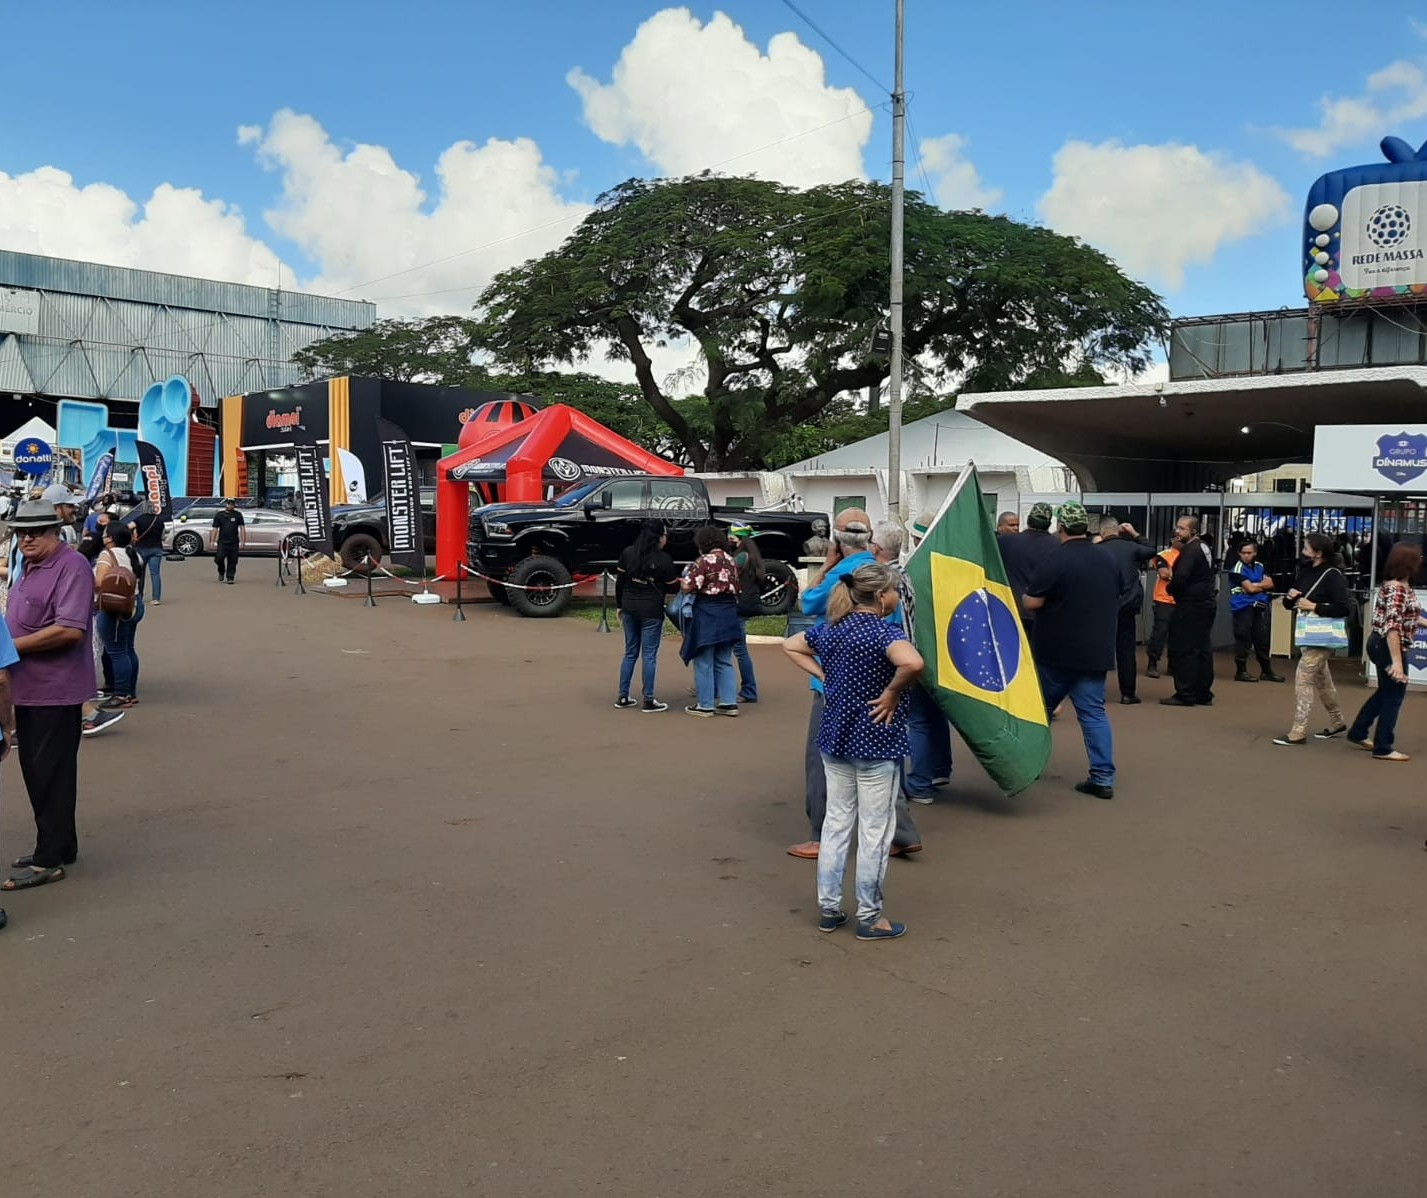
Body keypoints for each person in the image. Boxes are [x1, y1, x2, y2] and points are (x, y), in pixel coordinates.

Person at [783, 563, 924, 941]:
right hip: (877, 739)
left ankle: (829, 909)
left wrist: (825, 676)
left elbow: (791, 645)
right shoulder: (883, 632)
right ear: (881, 597)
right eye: (894, 591)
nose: (897, 596)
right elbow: (912, 663)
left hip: (836, 737)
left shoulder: (833, 629)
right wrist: (892, 692)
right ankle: (870, 915)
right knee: (875, 829)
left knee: (836, 823)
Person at [787, 514, 923, 859]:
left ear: (836, 542)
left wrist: (826, 566)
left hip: (841, 684)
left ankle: (822, 835)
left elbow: (808, 603)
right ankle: (902, 832)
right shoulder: (886, 574)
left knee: (822, 759)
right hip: (883, 681)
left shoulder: (846, 575)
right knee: (883, 760)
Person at [2, 500, 95, 891]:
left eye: (36, 532)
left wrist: (9, 647)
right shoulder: (29, 566)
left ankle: (49, 859)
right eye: (22, 532)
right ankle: (60, 844)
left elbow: (68, 630)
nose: (27, 538)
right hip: (30, 688)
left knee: (48, 775)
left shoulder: (71, 567)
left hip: (54, 690)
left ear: (56, 532)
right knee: (43, 773)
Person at [1022, 502, 1120, 799]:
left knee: (1040, 713)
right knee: (1093, 714)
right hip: (1095, 651)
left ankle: (1028, 766)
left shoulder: (1055, 559)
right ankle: (1103, 778)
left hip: (1056, 652)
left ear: (1060, 527)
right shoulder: (1107, 558)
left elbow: (1033, 602)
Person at [1346, 542, 1426, 762]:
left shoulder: (1397, 586)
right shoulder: (1398, 588)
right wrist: (1397, 663)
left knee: (1386, 692)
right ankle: (1383, 747)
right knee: (1394, 695)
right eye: (1417, 558)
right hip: (1388, 644)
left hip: (1382, 644)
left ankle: (1359, 732)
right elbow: (1392, 626)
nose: (1421, 562)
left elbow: (1406, 616)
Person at [1273, 532, 1352, 747]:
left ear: (1318, 552)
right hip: (1311, 634)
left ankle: (1299, 730)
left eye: (1306, 547)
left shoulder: (1333, 575)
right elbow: (1293, 603)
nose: (1302, 550)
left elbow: (1344, 607)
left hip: (1322, 637)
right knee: (1322, 680)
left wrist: (1314, 606)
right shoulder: (1306, 571)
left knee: (1303, 677)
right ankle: (1337, 721)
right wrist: (1290, 599)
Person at [679, 525, 742, 717]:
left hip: (707, 612)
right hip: (729, 612)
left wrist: (682, 581)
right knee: (724, 660)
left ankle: (705, 705)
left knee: (704, 660)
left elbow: (689, 586)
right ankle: (729, 702)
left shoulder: (703, 561)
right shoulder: (731, 561)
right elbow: (738, 587)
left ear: (703, 542)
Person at [613, 520, 675, 712]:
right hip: (652, 610)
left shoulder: (628, 553)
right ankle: (648, 699)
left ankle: (623, 696)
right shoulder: (664, 559)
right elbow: (673, 585)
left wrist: (619, 606)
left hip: (629, 607)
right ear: (659, 537)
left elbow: (619, 583)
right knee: (649, 655)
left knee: (630, 652)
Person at [1095, 515, 1157, 705]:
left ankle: (1095, 693)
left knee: (1099, 649)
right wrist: (1136, 534)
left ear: (1102, 532)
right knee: (1126, 650)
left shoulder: (1096, 550)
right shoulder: (1131, 547)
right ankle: (1128, 693)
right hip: (1127, 606)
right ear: (1119, 530)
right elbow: (1152, 550)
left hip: (1102, 607)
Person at [1161, 515, 1217, 708]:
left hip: (1191, 605)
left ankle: (1185, 693)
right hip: (1206, 604)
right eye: (1177, 527)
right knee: (1202, 649)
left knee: (1184, 649)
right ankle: (1203, 692)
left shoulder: (1190, 551)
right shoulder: (1204, 547)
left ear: (1193, 531)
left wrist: (1170, 589)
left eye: (1182, 528)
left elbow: (1181, 577)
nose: (1177, 531)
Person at [94, 522, 145, 711]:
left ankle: (121, 694)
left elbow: (100, 582)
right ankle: (130, 691)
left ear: (111, 538)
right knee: (128, 648)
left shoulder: (107, 555)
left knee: (116, 651)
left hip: (114, 608)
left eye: (106, 534)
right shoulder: (135, 555)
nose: (103, 536)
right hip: (133, 604)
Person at [999, 502, 1060, 634]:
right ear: (1049, 523)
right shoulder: (1059, 546)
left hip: (1012, 611)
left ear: (1028, 521)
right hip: (1045, 615)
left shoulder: (1006, 543)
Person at [1228, 541, 1284, 684]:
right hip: (1242, 607)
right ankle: (1241, 671)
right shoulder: (1237, 569)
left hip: (1258, 606)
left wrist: (1255, 586)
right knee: (1243, 638)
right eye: (1244, 553)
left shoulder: (1260, 566)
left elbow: (1270, 584)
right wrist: (1261, 586)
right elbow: (1250, 589)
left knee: (1262, 639)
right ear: (1239, 554)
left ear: (1255, 553)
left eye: (1249, 553)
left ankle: (1266, 671)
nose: (1246, 556)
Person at [729, 525, 764, 705]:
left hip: (738, 606)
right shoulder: (752, 556)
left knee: (739, 650)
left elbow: (727, 570)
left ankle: (748, 690)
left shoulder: (741, 557)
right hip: (746, 605)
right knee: (738, 650)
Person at [1145, 544, 1179, 678]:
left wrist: (1174, 574)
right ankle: (1152, 663)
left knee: (1178, 634)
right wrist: (1184, 577)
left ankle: (1173, 665)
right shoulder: (1164, 555)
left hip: (1182, 600)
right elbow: (1164, 573)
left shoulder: (1189, 554)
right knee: (1160, 632)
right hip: (1164, 599)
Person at [126, 504, 167, 605]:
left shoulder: (139, 519)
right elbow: (163, 535)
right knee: (155, 574)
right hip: (156, 548)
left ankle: (139, 596)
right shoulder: (159, 520)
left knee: (140, 574)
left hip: (141, 549)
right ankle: (156, 598)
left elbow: (127, 527)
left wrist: (133, 534)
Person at [210, 497, 246, 584]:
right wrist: (212, 541)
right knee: (219, 558)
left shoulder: (238, 515)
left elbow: (242, 528)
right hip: (222, 542)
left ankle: (230, 577)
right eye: (228, 504)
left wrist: (243, 541)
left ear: (234, 505)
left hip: (234, 542)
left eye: (232, 504)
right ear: (226, 504)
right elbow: (215, 528)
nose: (230, 505)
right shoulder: (219, 515)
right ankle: (221, 571)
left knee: (233, 561)